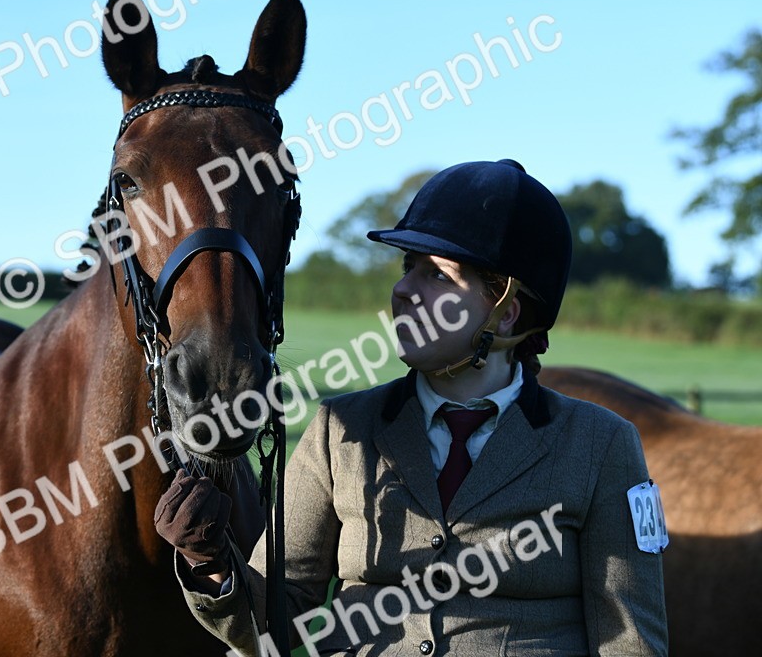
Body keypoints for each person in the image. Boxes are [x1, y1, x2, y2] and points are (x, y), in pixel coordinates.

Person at [155, 159, 668, 656]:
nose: (403, 290)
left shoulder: (601, 445)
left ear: (506, 314)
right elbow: (270, 625)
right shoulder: (340, 431)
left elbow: (630, 640)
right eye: (408, 268)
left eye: (438, 276)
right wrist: (213, 563)